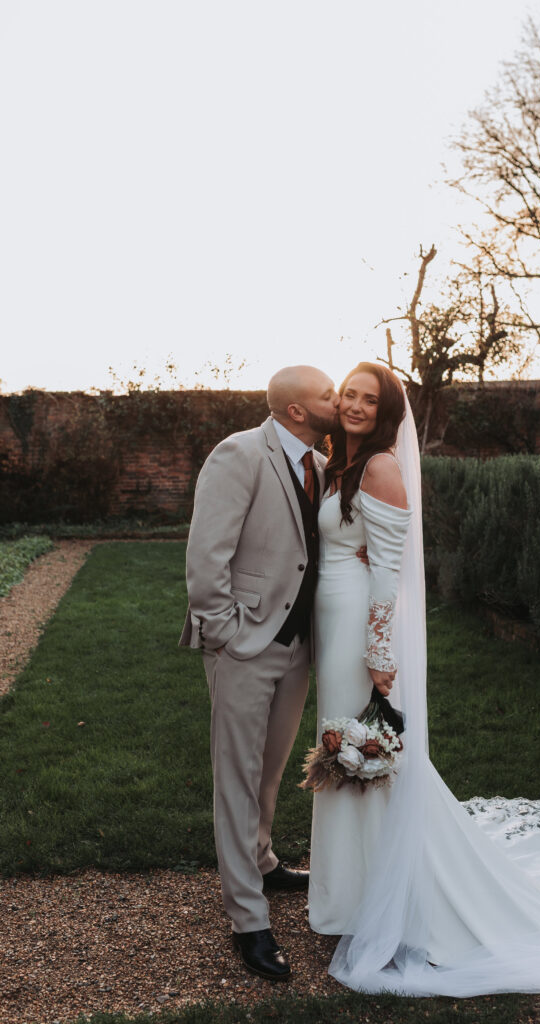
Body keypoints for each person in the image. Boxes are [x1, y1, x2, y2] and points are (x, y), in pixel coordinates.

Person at [308, 361, 540, 1014]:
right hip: (332, 625)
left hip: (359, 640)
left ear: (388, 414)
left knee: (366, 761)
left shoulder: (379, 470)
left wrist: (376, 656)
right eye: (349, 394)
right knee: (348, 760)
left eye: (369, 399)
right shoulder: (339, 462)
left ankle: (384, 897)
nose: (355, 405)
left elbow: (389, 576)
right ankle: (352, 894)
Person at [180, 365, 338, 982]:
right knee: (238, 779)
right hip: (243, 644)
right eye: (327, 395)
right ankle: (248, 918)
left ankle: (263, 861)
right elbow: (206, 554)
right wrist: (226, 635)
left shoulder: (320, 467)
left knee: (270, 768)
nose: (336, 402)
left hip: (296, 646)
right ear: (297, 410)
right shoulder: (239, 454)